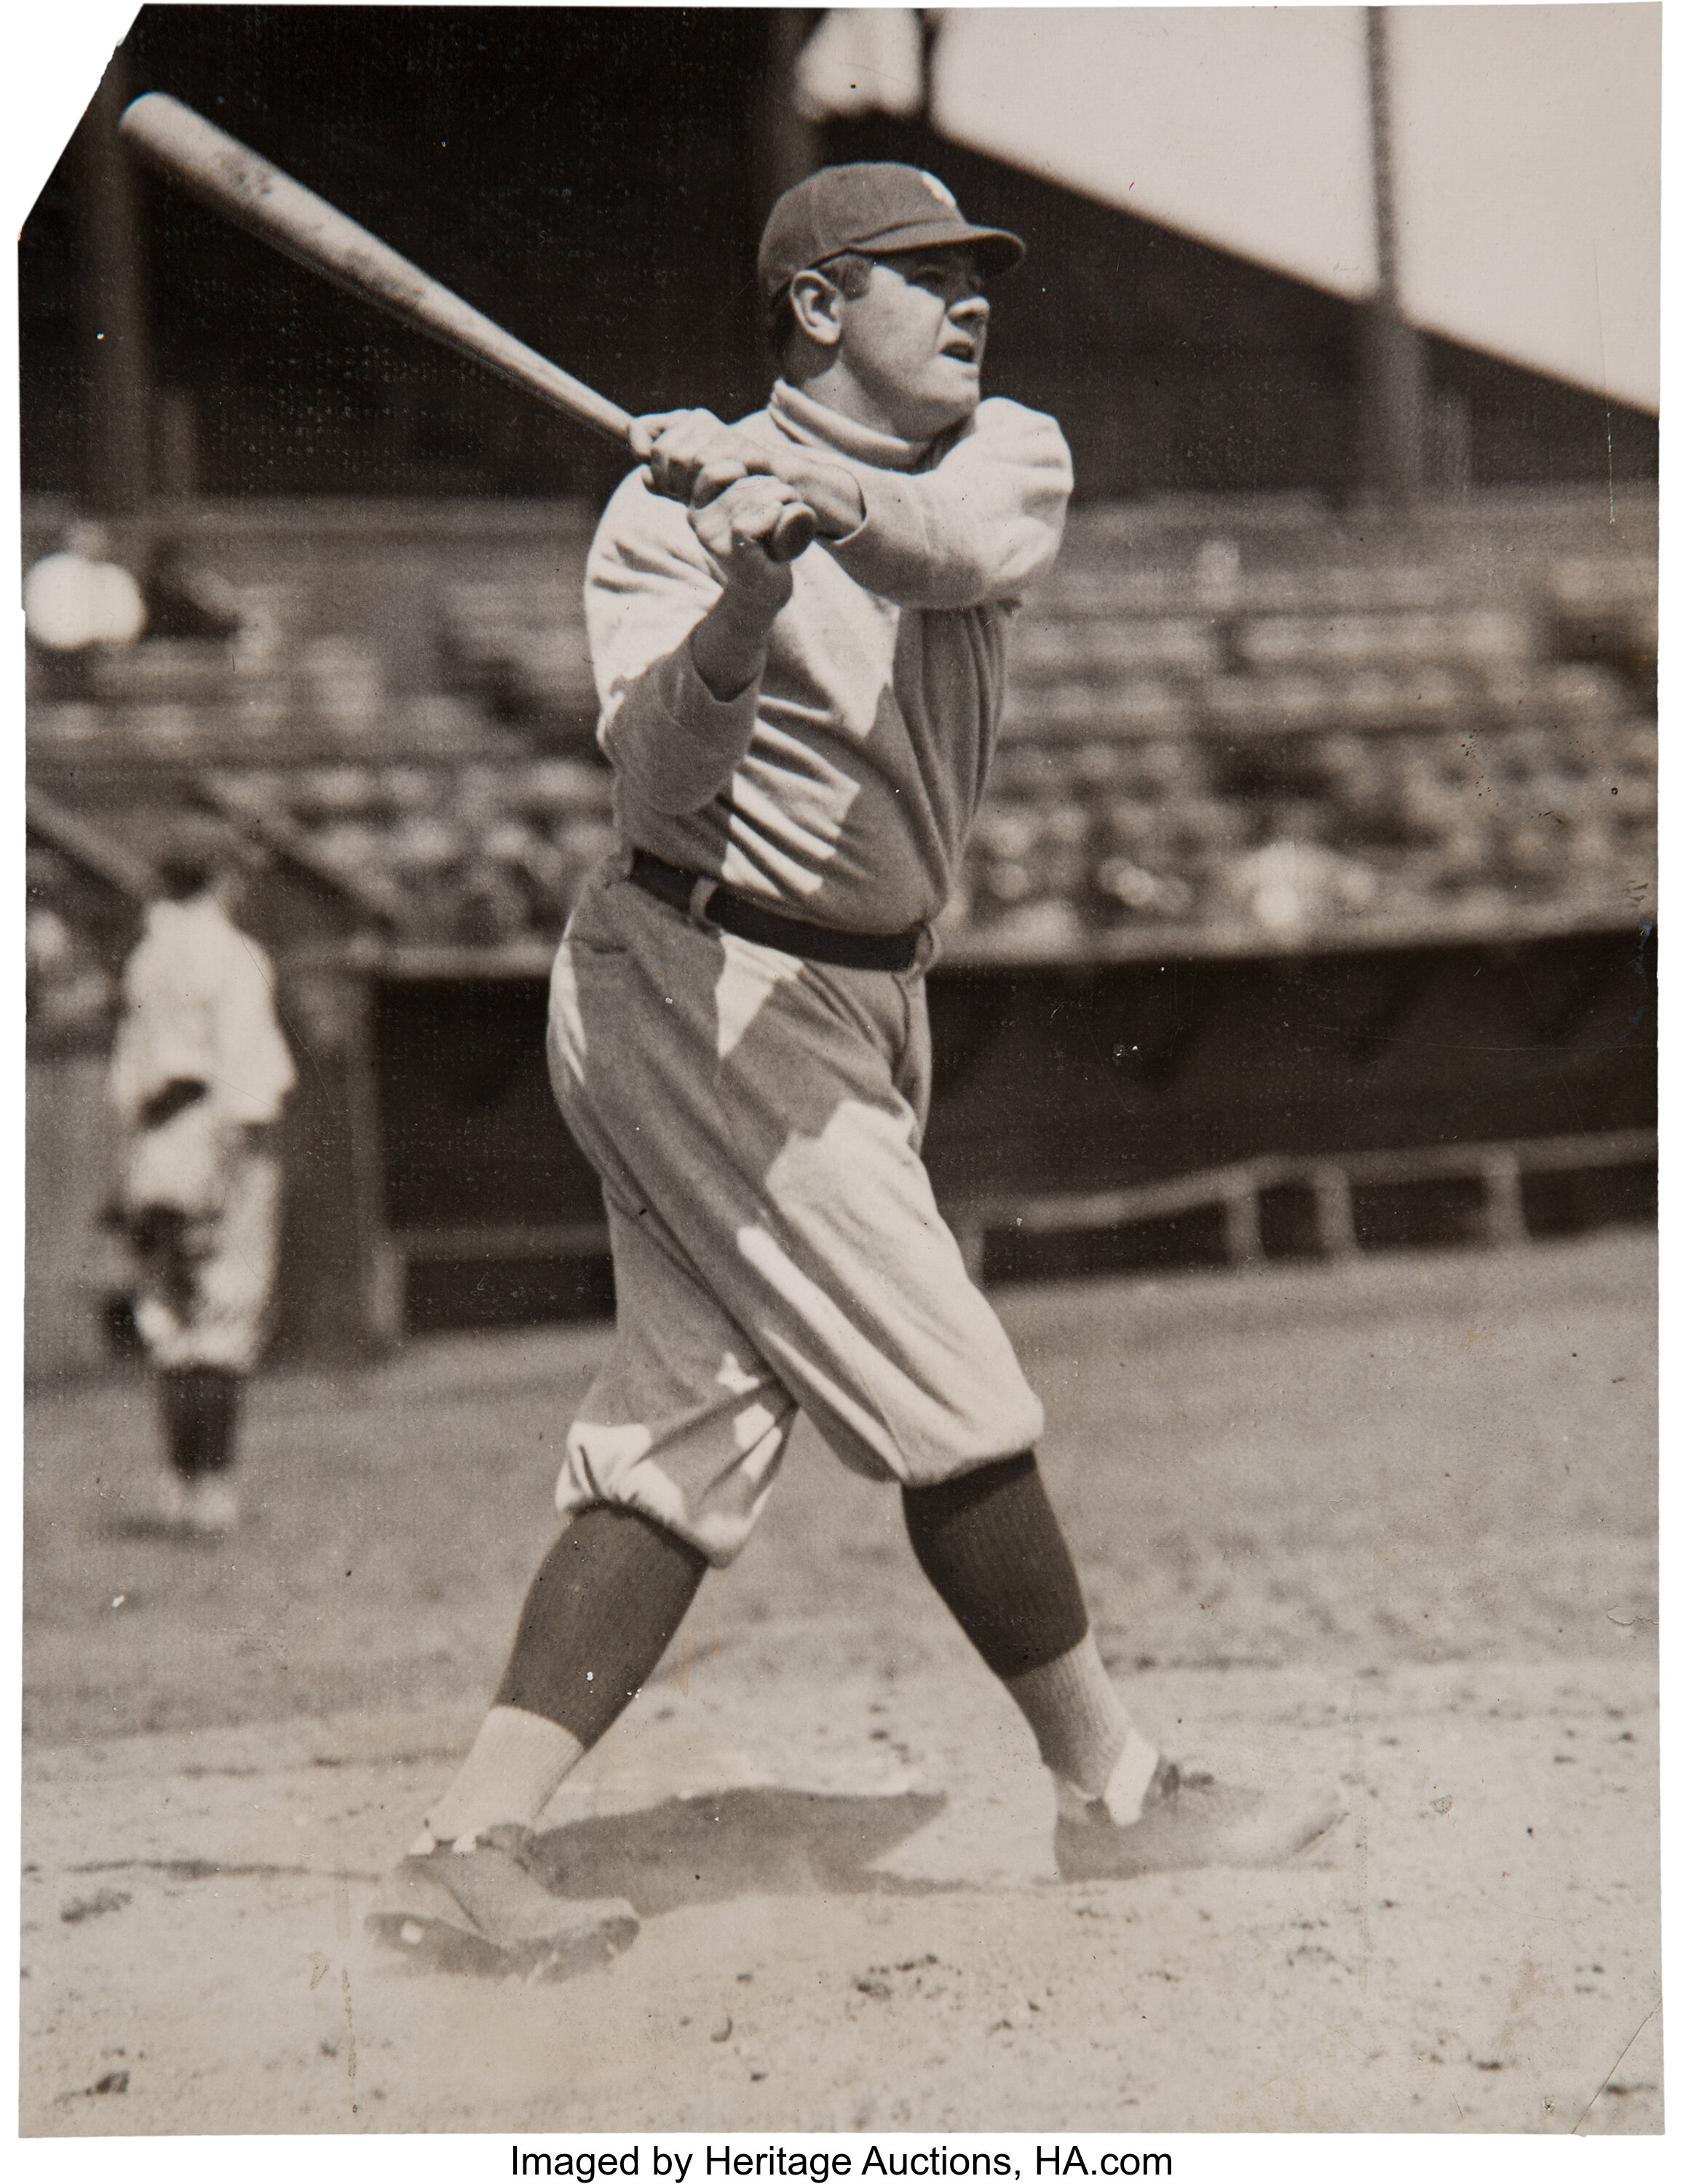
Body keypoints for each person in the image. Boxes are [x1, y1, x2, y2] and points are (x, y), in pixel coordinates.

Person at [368, 164, 1339, 1974]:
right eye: (925, 278)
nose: (973, 305)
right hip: (696, 970)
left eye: (981, 280)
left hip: (853, 994)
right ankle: (1111, 1794)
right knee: (947, 1378)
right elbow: (660, 783)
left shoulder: (1006, 451)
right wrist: (739, 593)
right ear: (817, 306)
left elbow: (949, 547)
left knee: (690, 1433)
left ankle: (466, 1841)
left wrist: (810, 496)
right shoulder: (659, 525)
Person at [108, 852, 296, 1536]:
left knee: (171, 1312)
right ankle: (213, 1488)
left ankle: (179, 1487)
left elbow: (128, 1070)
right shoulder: (231, 952)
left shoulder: (148, 954)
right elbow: (247, 1071)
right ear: (223, 879)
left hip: (157, 1137)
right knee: (226, 1305)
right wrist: (227, 1163)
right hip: (220, 1133)